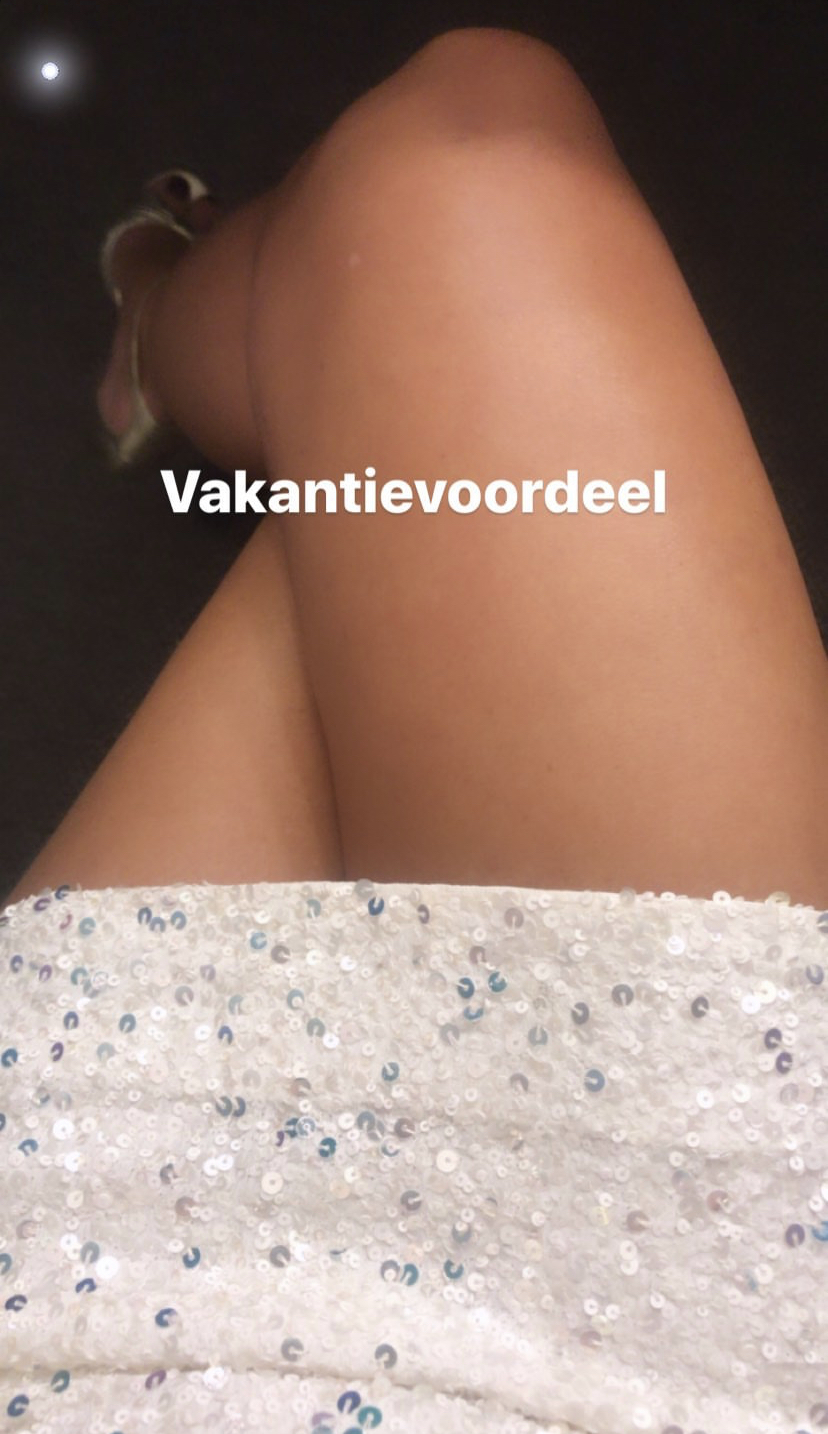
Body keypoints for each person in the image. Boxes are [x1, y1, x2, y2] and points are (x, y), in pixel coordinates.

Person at [2, 28, 826, 1434]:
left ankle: (170, 322)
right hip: (732, 1304)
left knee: (443, 215)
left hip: (99, 1302)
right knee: (459, 172)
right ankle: (203, 322)